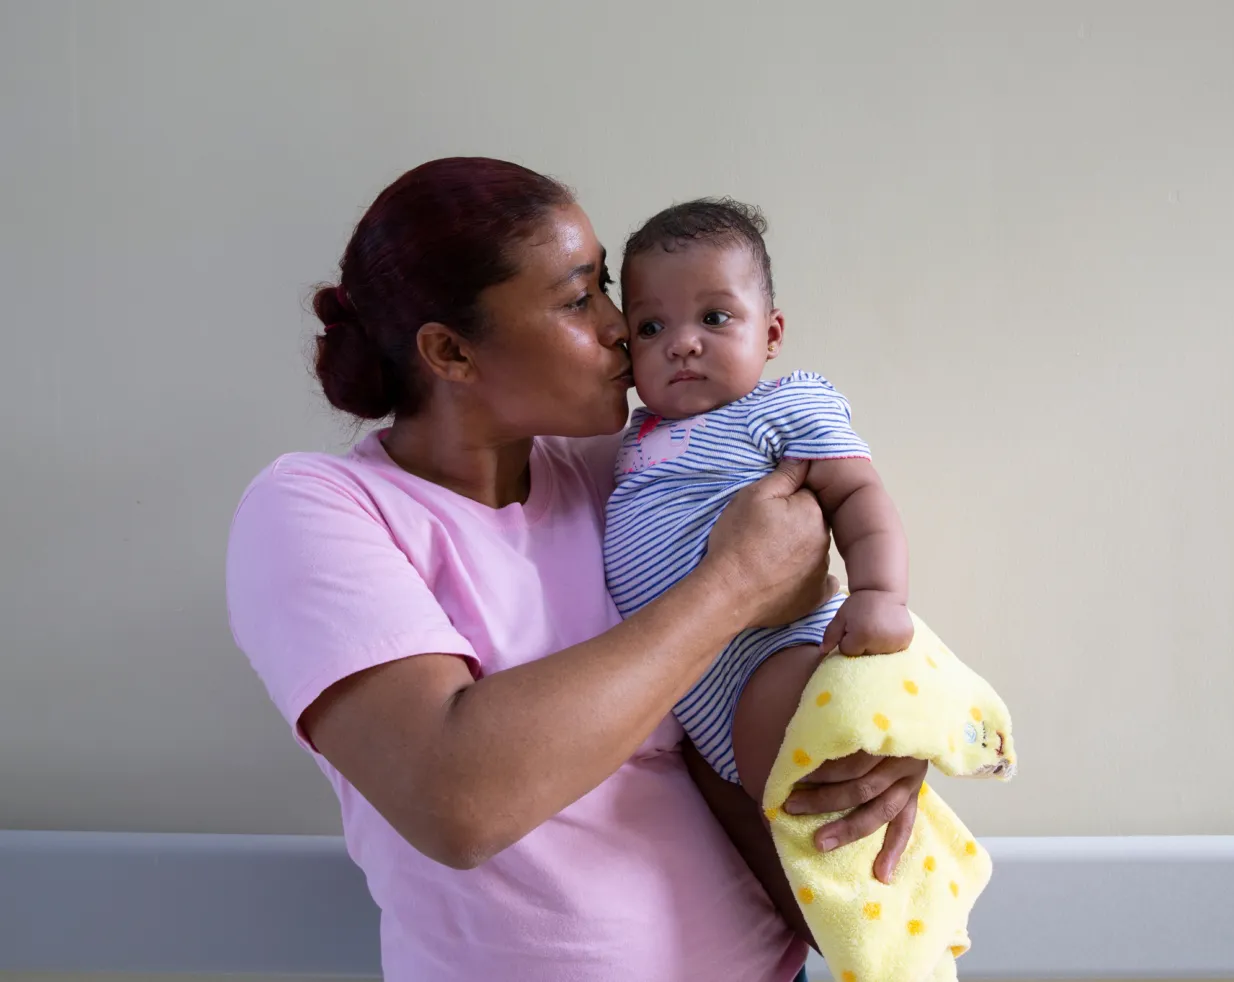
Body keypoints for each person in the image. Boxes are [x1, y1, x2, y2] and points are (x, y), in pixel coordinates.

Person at [225, 157, 923, 982]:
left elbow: (795, 578)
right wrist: (728, 586)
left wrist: (855, 740)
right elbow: (458, 801)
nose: (622, 328)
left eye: (607, 294)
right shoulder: (317, 508)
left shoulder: (624, 469)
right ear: (450, 352)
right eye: (578, 297)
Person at [607, 199, 926, 874]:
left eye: (714, 317)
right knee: (779, 826)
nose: (682, 341)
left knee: (823, 815)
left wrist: (879, 593)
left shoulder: (781, 407)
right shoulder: (630, 438)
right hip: (696, 696)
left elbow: (861, 497)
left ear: (771, 332)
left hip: (777, 654)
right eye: (651, 325)